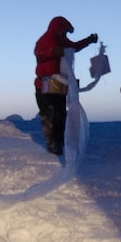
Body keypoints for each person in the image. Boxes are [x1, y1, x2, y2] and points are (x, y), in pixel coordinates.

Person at [33, 16, 97, 155]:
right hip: (45, 82)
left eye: (66, 32)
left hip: (59, 83)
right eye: (64, 31)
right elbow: (40, 52)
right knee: (50, 114)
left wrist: (88, 41)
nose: (65, 34)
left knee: (60, 113)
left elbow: (74, 48)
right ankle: (52, 145)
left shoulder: (63, 41)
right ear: (57, 29)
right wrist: (55, 51)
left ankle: (59, 143)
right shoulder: (45, 40)